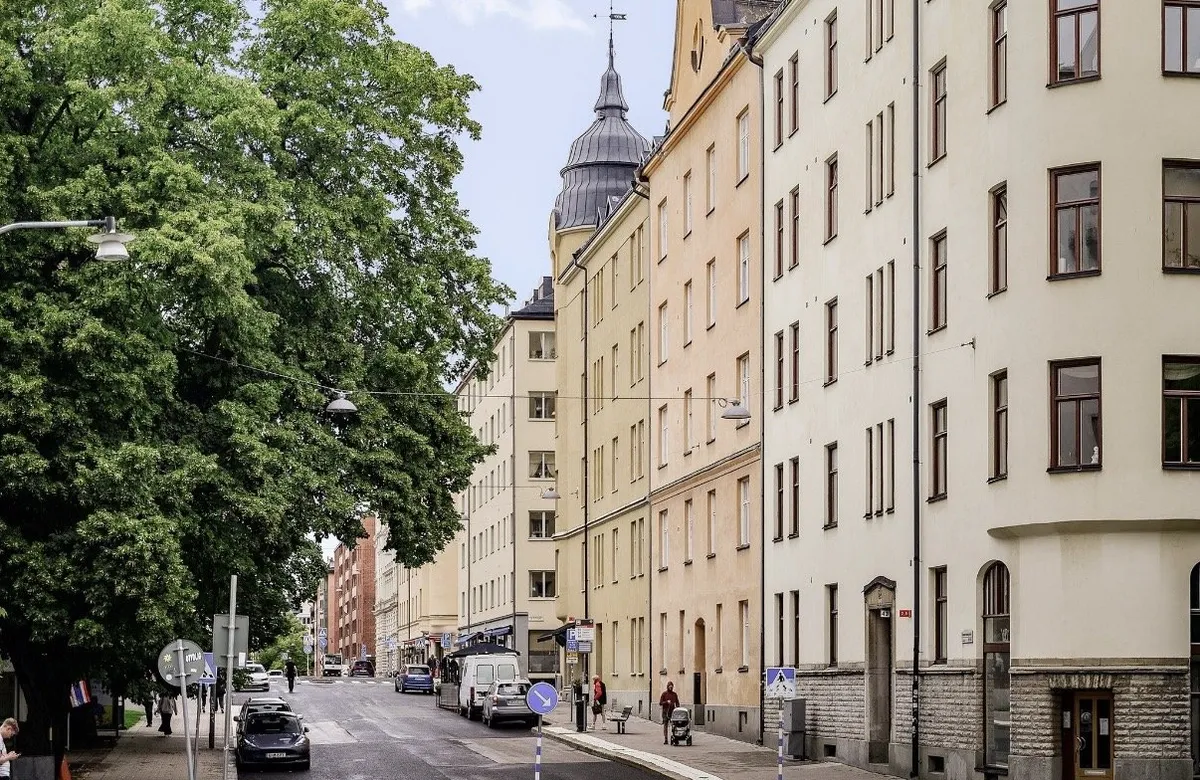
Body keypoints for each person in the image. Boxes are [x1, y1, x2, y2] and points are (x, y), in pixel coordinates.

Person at [659, 681, 679, 745]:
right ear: (668, 687)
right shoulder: (664, 694)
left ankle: (675, 737)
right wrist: (666, 702)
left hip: (672, 712)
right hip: (665, 712)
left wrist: (678, 709)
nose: (671, 687)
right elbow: (660, 703)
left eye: (672, 686)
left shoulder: (674, 694)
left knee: (674, 725)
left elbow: (677, 702)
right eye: (670, 686)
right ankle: (666, 739)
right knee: (665, 725)